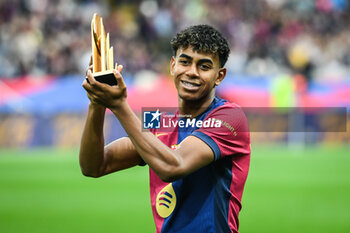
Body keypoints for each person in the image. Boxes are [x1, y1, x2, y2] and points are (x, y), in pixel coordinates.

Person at [80, 24, 251, 233]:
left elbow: (173, 167)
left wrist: (118, 105)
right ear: (172, 65)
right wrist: (97, 103)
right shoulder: (158, 121)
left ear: (220, 76)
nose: (192, 72)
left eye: (204, 66)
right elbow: (94, 166)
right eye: (185, 62)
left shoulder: (231, 117)